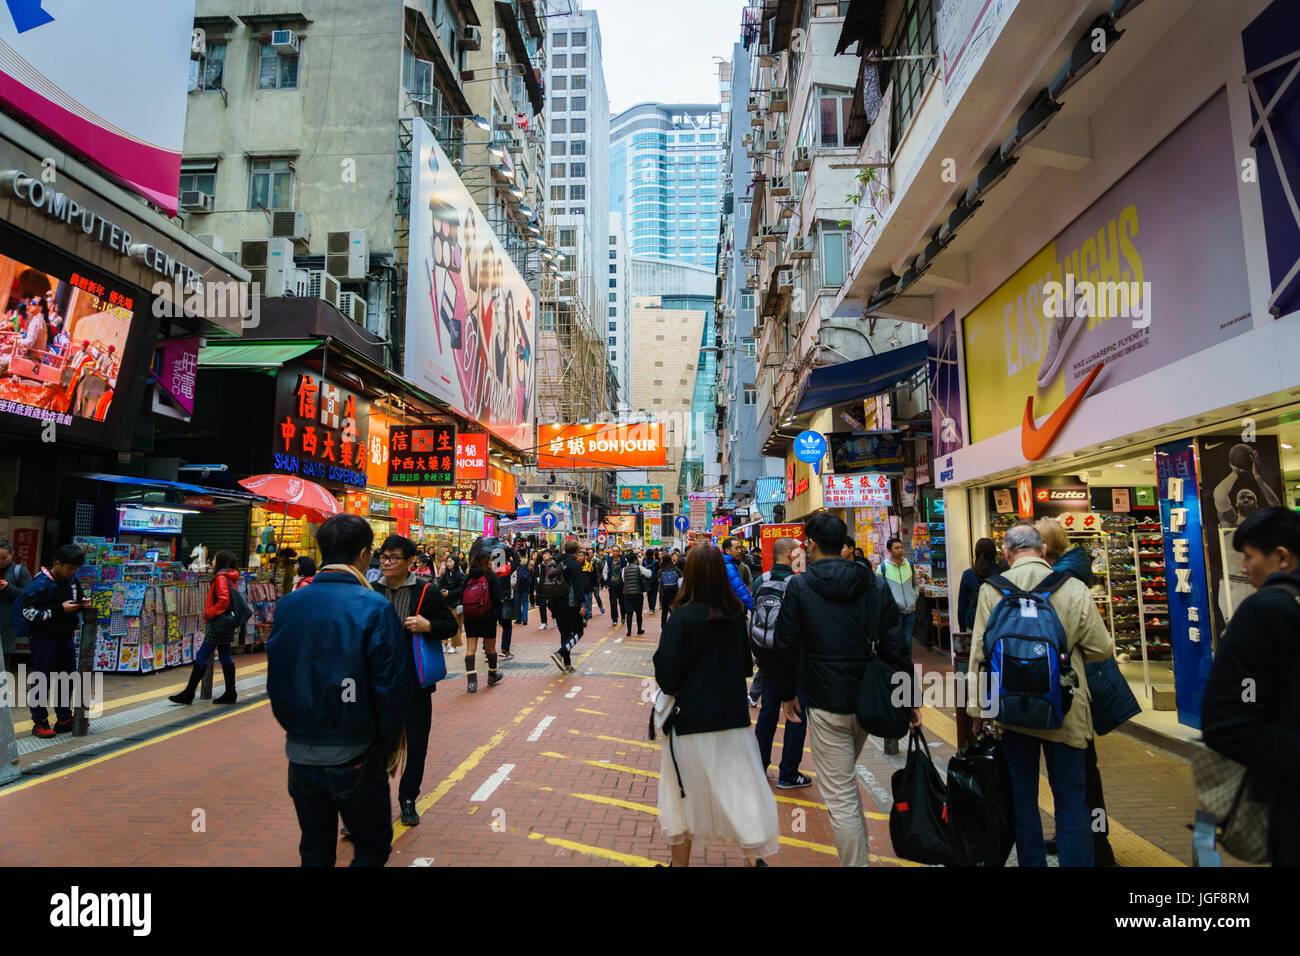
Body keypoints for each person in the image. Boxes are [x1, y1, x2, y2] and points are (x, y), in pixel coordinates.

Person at [770, 512, 915, 866]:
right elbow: (898, 646)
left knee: (842, 796)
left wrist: (787, 694)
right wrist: (907, 699)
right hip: (867, 700)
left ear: (813, 545)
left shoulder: (800, 587)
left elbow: (785, 645)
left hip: (825, 702)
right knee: (844, 783)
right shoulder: (873, 584)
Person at [268, 514, 412, 867]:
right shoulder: (374, 606)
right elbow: (390, 689)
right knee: (372, 846)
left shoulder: (289, 604)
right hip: (357, 753)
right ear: (364, 554)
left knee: (314, 850)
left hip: (301, 754)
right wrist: (385, 747)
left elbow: (278, 681)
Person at [967, 523, 1113, 867]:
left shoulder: (992, 590)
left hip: (1012, 710)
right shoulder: (1073, 587)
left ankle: (1032, 861)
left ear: (1006, 553)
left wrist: (978, 711)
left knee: (1023, 798)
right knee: (1070, 799)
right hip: (1065, 707)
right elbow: (1101, 648)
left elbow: (979, 655)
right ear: (1044, 550)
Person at [653, 545, 781, 866]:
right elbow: (744, 667)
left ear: (690, 575)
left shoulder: (681, 616)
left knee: (682, 798)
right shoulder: (736, 615)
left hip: (689, 722)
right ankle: (756, 860)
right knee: (740, 794)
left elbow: (667, 676)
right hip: (732, 721)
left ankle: (678, 865)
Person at [1035, 518, 1136, 866]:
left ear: (1043, 550)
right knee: (1079, 775)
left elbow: (1099, 646)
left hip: (1079, 691)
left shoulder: (1066, 582)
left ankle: (1100, 846)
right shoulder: (1068, 574)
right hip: (1078, 688)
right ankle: (1080, 838)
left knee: (1085, 777)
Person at [1202, 506, 1300, 865]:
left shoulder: (1264, 611)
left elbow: (1228, 724)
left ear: (1282, 557)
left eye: (1248, 557)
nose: (1243, 568)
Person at [373, 534, 456, 827]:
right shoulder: (370, 592)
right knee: (374, 746)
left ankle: (408, 799)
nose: (386, 562)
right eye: (383, 556)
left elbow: (449, 625)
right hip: (377, 684)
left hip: (413, 683)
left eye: (393, 557)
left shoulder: (425, 592)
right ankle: (371, 806)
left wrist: (428, 624)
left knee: (416, 744)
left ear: (410, 562)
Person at [752, 536, 811, 789]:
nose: (802, 554)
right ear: (789, 553)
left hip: (766, 659)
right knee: (796, 714)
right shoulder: (799, 583)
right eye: (798, 551)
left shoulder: (760, 580)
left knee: (767, 713)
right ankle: (788, 773)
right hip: (794, 661)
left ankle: (758, 766)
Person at [20, 544, 89, 737]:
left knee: (66, 678)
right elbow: (28, 612)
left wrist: (83, 603)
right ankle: (40, 721)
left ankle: (64, 718)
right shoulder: (40, 583)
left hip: (66, 637)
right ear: (57, 563)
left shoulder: (72, 580)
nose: (73, 572)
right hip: (44, 639)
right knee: (43, 680)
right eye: (69, 568)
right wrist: (59, 609)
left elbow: (77, 600)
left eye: (75, 569)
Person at [169, 551, 243, 705]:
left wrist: (209, 614)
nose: (212, 562)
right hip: (225, 622)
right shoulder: (230, 576)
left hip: (217, 622)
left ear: (221, 562)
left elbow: (223, 600)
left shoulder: (221, 577)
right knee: (225, 655)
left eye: (214, 559)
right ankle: (230, 692)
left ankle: (189, 693)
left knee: (202, 654)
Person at [461, 541, 505, 692]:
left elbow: (462, 596)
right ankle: (492, 675)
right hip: (487, 616)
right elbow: (497, 599)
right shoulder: (491, 577)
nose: (492, 563)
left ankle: (471, 682)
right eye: (491, 560)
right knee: (491, 648)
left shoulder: (468, 578)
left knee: (470, 648)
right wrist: (498, 616)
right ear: (486, 562)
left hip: (470, 617)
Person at [548, 538, 588, 673]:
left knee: (564, 633)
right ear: (576, 551)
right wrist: (582, 603)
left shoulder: (556, 561)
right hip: (571, 604)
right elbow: (578, 586)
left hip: (556, 603)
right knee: (579, 632)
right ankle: (559, 653)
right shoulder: (574, 565)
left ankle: (567, 664)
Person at [881, 537, 919, 653]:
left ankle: (907, 667)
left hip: (910, 611)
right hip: (894, 612)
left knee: (907, 641)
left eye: (901, 547)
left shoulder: (910, 565)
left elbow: (916, 584)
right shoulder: (883, 568)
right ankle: (897, 667)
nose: (900, 550)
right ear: (889, 551)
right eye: (896, 548)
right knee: (895, 641)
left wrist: (914, 597)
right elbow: (880, 590)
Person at [956, 538, 999, 632]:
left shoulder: (968, 574)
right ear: (994, 553)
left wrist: (962, 628)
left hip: (973, 624)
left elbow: (962, 605)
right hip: (996, 624)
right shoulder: (1001, 574)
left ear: (976, 553)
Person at [0, 540, 32, 660]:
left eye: (4, 558)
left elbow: (28, 595)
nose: (1, 561)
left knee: (4, 657)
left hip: (8, 623)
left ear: (12, 554)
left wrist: (7, 587)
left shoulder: (20, 571)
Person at [439, 555, 466, 655]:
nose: (448, 563)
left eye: (450, 561)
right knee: (444, 623)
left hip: (456, 603)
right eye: (447, 562)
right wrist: (442, 592)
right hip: (445, 603)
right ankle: (444, 644)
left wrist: (449, 593)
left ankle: (454, 646)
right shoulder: (444, 574)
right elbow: (440, 586)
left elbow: (461, 589)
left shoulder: (460, 575)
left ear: (455, 562)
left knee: (455, 624)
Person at [721, 537, 754, 612]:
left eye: (740, 548)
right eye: (736, 548)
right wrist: (755, 609)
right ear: (727, 550)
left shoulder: (729, 563)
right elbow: (741, 591)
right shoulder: (729, 566)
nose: (739, 551)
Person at [621, 549, 646, 636]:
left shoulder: (624, 569)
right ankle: (639, 630)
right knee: (639, 613)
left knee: (629, 613)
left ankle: (629, 631)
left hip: (627, 593)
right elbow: (649, 574)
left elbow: (624, 580)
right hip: (638, 593)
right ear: (635, 560)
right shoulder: (639, 568)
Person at [658, 550, 681, 627]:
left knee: (664, 612)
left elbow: (658, 580)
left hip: (664, 594)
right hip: (674, 593)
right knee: (674, 611)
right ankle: (675, 625)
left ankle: (663, 627)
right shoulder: (675, 569)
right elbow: (681, 576)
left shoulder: (661, 571)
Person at [534, 551, 551, 631]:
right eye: (544, 554)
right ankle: (544, 622)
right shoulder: (540, 566)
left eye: (547, 554)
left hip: (552, 588)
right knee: (542, 606)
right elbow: (536, 577)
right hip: (542, 589)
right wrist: (537, 587)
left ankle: (555, 617)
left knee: (552, 605)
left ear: (550, 556)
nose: (545, 555)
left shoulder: (554, 565)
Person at [606, 549, 623, 627]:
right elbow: (605, 571)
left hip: (621, 585)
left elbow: (625, 571)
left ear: (619, 552)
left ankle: (623, 616)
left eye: (617, 551)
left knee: (622, 603)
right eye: (614, 551)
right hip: (612, 585)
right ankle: (614, 619)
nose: (615, 552)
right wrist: (608, 581)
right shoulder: (609, 561)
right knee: (613, 603)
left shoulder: (623, 560)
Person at [514, 555, 531, 625]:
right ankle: (525, 619)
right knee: (525, 602)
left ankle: (518, 619)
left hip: (518, 585)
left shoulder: (517, 562)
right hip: (526, 585)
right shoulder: (529, 562)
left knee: (517, 602)